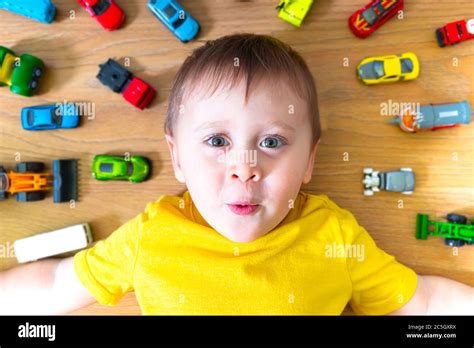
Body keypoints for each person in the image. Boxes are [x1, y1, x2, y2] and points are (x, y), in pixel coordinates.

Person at [1, 34, 472, 315]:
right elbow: (57, 286)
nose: (244, 169)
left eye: (271, 142)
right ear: (178, 158)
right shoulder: (151, 237)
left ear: (309, 161)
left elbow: (424, 303)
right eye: (216, 142)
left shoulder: (333, 236)